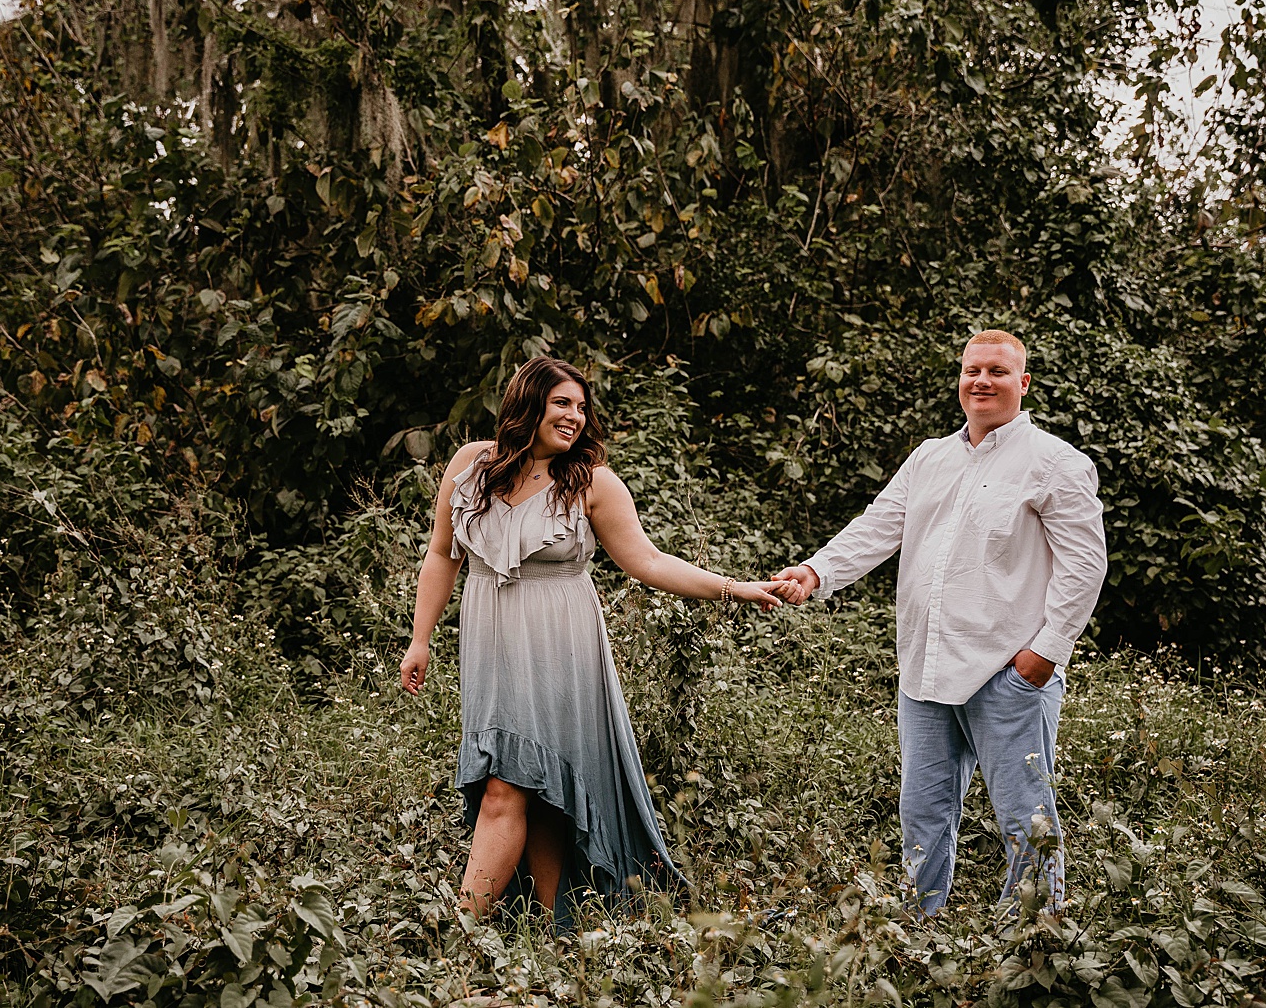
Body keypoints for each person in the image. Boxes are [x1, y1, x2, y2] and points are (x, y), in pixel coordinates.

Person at [400, 356, 791, 923]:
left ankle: (459, 938)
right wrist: (420, 639)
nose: (575, 417)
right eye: (562, 404)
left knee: (510, 789)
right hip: (490, 645)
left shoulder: (591, 483)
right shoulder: (471, 466)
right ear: (527, 403)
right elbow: (441, 554)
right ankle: (552, 927)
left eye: (582, 408)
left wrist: (734, 587)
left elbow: (649, 561)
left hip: (563, 644)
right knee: (527, 786)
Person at [773, 330, 1107, 916]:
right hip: (924, 671)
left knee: (1025, 818)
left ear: (1023, 384)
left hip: (1008, 673)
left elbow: (1084, 566)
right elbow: (879, 527)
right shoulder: (930, 457)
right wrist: (815, 572)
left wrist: (1043, 655)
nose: (982, 381)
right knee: (923, 815)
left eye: (998, 372)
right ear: (960, 379)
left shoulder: (1055, 463)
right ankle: (919, 932)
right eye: (972, 369)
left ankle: (1031, 944)